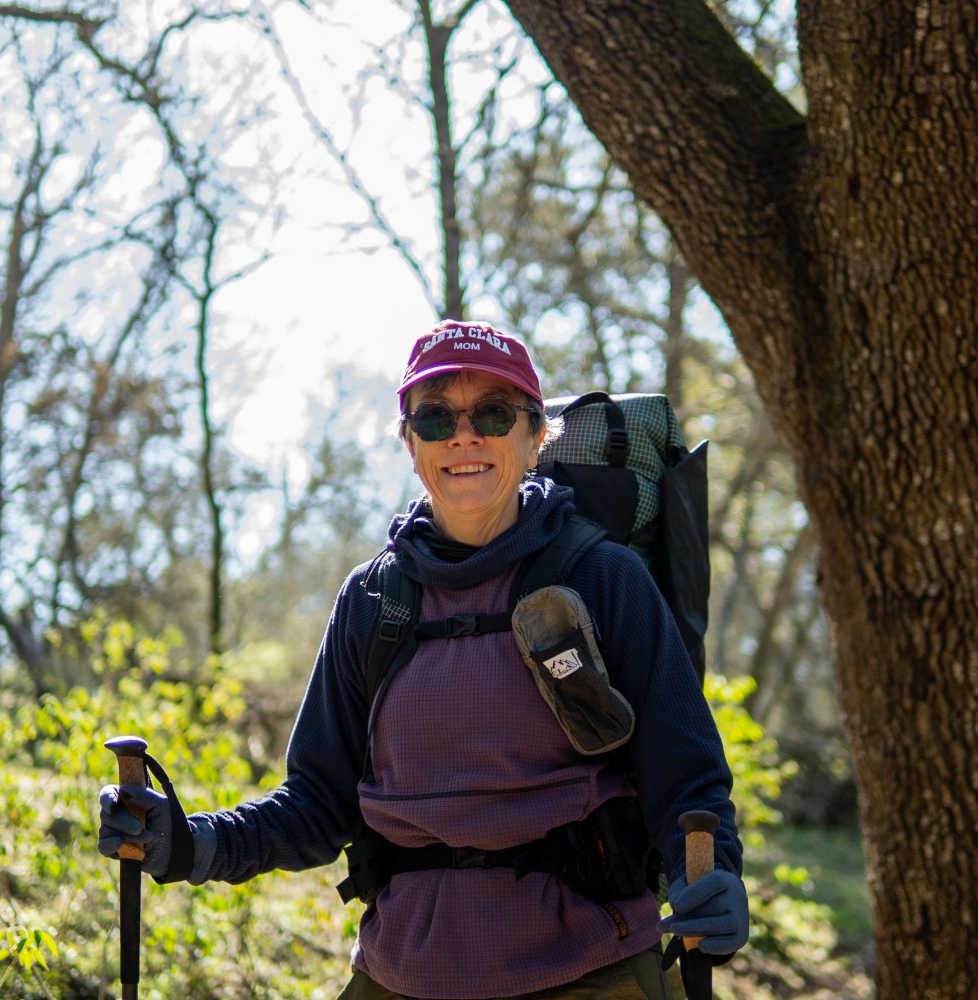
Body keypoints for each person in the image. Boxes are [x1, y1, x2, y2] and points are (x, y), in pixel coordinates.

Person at [99, 319, 748, 1000]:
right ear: (410, 444)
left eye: (492, 414)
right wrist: (187, 842)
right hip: (400, 974)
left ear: (535, 437)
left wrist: (715, 881)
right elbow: (316, 805)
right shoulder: (373, 599)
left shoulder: (604, 578)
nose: (463, 436)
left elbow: (687, 781)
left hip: (590, 970)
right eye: (435, 418)